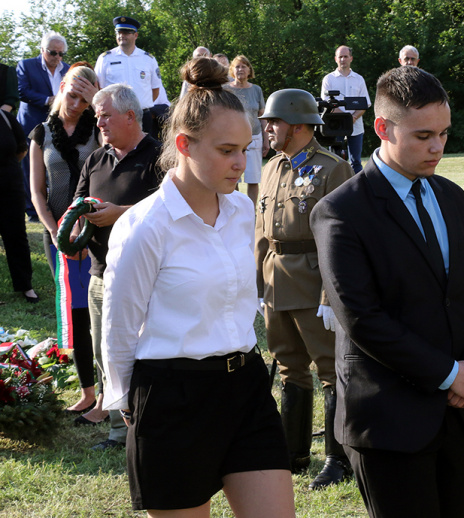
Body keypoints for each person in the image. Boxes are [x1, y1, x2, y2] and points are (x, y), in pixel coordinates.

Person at [101, 56, 295, 517]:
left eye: (245, 149)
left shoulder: (241, 212)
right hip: (173, 400)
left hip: (246, 387)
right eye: (226, 150)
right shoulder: (145, 226)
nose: (240, 163)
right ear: (184, 145)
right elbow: (119, 327)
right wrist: (129, 404)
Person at [310, 66, 464, 517]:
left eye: (444, 134)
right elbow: (361, 317)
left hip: (456, 411)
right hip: (387, 418)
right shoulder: (340, 210)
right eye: (423, 136)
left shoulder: (450, 196)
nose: (437, 147)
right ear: (382, 128)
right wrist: (448, 374)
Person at [256, 88, 354, 490]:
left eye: (273, 122)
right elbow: (261, 231)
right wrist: (255, 285)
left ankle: (338, 457)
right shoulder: (271, 167)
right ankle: (293, 453)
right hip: (275, 279)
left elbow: (343, 239)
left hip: (314, 281)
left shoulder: (333, 169)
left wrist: (331, 296)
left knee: (330, 369)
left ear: (297, 125)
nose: (267, 128)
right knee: (288, 366)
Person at [72, 83, 162, 451]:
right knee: (105, 351)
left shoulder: (160, 156)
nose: (99, 123)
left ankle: (148, 423)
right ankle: (119, 430)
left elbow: (168, 208)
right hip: (99, 272)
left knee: (144, 351)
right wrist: (74, 228)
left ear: (129, 116)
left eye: (105, 115)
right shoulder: (96, 158)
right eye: (98, 117)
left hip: (145, 275)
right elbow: (77, 202)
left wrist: (119, 213)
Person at [29, 62, 100, 413]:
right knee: (76, 313)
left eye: (84, 101)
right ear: (61, 89)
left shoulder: (98, 129)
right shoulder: (40, 134)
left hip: (95, 233)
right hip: (57, 236)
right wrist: (57, 233)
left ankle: (110, 391)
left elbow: (107, 175)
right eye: (72, 95)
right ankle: (88, 391)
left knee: (100, 311)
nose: (76, 105)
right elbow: (37, 193)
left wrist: (83, 227)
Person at [17, 31, 71, 221]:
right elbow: (22, 91)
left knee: (56, 164)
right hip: (32, 124)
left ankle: (57, 206)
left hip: (59, 124)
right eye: (53, 52)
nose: (57, 57)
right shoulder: (26, 65)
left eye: (61, 53)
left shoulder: (68, 69)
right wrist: (49, 100)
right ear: (42, 50)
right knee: (30, 167)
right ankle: (32, 211)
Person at [95, 16, 163, 136]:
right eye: (119, 32)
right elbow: (99, 88)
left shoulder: (148, 59)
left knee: (145, 147)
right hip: (115, 116)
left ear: (135, 35)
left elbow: (155, 90)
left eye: (126, 32)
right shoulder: (105, 58)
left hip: (143, 116)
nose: (122, 35)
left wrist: (140, 105)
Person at [0, 97, 39, 303]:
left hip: (10, 188)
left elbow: (22, 148)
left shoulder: (6, 118)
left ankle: (26, 286)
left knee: (16, 236)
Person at [320, 45, 371, 173]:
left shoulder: (359, 79)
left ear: (351, 58)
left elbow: (365, 103)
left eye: (345, 56)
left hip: (356, 126)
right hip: (335, 126)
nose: (343, 59)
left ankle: (358, 184)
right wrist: (346, 119)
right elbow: (326, 104)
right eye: (340, 57)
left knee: (356, 162)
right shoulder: (328, 79)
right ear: (335, 59)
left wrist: (353, 118)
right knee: (335, 161)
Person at [225, 55, 267, 206]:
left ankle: (251, 211)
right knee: (233, 177)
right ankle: (235, 208)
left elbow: (262, 116)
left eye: (244, 66)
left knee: (253, 179)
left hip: (254, 138)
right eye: (237, 66)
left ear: (249, 70)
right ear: (232, 70)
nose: (240, 69)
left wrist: (266, 139)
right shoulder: (226, 90)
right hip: (232, 140)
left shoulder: (256, 90)